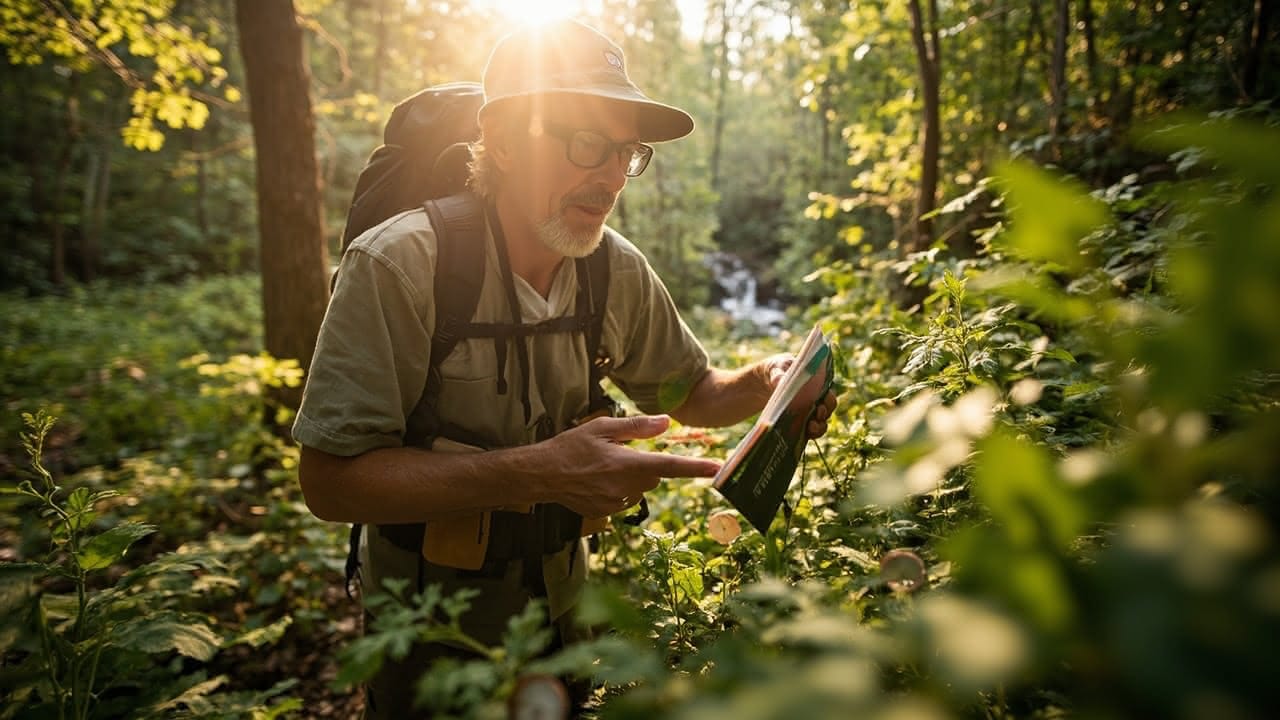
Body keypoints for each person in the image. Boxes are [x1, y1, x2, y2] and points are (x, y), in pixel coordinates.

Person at [293, 18, 836, 719]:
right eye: (586, 143)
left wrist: (766, 382)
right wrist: (540, 471)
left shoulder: (613, 270)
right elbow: (330, 482)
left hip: (564, 622)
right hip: (426, 632)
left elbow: (690, 392)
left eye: (626, 153)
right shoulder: (400, 265)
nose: (611, 176)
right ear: (510, 141)